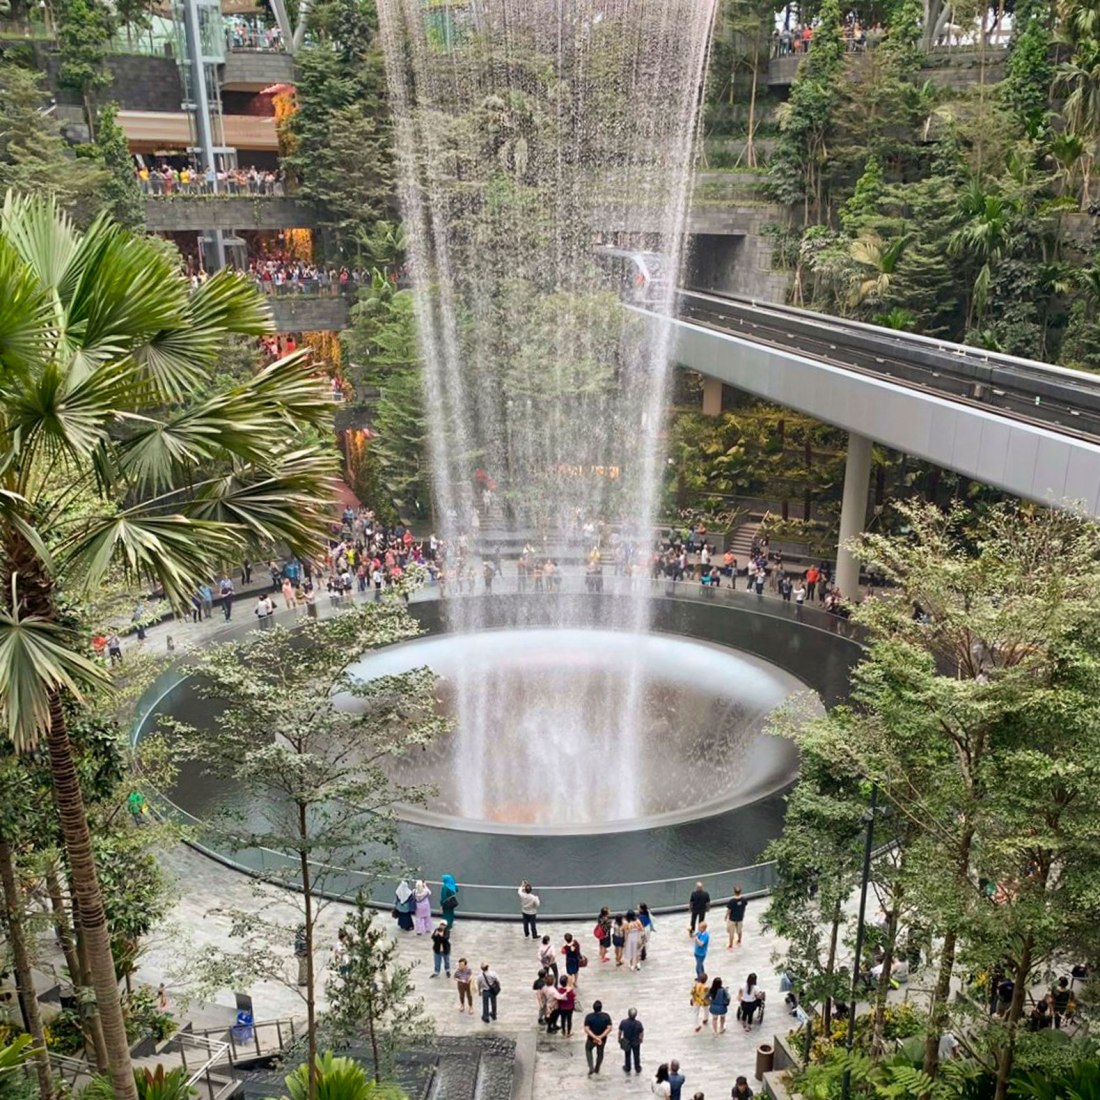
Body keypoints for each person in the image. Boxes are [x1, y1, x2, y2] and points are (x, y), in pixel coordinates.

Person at [583, 998, 613, 1075]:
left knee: (588, 1050)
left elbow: (586, 1029)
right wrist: (600, 1037)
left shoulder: (589, 1017)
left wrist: (594, 1037)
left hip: (591, 1039)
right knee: (600, 1053)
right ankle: (597, 1067)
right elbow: (609, 1028)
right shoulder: (606, 1016)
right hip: (602, 1040)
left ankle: (591, 1067)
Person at [619, 1006, 644, 1074]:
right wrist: (641, 1040)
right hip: (636, 1042)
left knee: (627, 1055)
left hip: (626, 1041)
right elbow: (641, 1032)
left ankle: (627, 1067)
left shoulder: (623, 1022)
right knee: (636, 1055)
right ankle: (637, 1068)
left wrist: (619, 1039)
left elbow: (620, 1031)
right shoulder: (638, 1023)